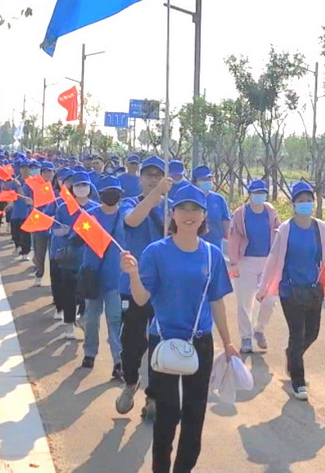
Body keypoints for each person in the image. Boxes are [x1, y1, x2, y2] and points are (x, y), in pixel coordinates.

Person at [120, 184, 238, 473]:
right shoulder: (156, 252)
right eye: (182, 208)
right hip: (163, 341)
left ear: (204, 216)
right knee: (167, 412)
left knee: (195, 413)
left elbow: (217, 302)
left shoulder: (211, 254)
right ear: (172, 213)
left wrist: (228, 342)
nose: (189, 214)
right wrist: (133, 274)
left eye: (195, 209)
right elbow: (141, 299)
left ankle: (183, 468)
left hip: (200, 342)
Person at [256, 181, 325, 400]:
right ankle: (298, 381)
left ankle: (292, 355)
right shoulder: (286, 229)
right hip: (290, 291)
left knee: (313, 333)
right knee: (297, 334)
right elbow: (273, 259)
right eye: (301, 201)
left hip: (314, 289)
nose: (305, 204)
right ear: (294, 204)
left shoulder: (321, 228)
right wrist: (263, 288)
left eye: (308, 200)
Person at [116, 156, 172, 420]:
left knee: (160, 344)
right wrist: (155, 195)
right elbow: (132, 221)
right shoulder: (130, 203)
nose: (153, 179)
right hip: (134, 285)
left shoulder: (173, 208)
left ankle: (153, 397)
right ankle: (130, 382)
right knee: (132, 342)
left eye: (158, 175)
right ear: (140, 179)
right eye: (148, 175)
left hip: (164, 289)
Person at [78, 176, 125, 380]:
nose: (111, 196)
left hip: (116, 277)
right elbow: (76, 239)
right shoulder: (89, 216)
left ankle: (118, 361)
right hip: (93, 274)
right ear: (101, 194)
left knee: (115, 319)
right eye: (108, 192)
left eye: (115, 192)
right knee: (91, 318)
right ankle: (89, 353)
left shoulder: (125, 216)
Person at [228, 180, 281, 353]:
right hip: (246, 262)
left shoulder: (270, 211)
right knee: (245, 302)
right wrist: (234, 262)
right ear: (250, 194)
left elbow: (279, 234)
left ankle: (259, 329)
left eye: (262, 193)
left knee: (270, 300)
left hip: (267, 262)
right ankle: (246, 338)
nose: (259, 196)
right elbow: (234, 237)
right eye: (256, 193)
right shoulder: (240, 214)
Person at [54, 170, 98, 339]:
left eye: (85, 185)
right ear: (72, 188)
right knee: (69, 293)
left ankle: (83, 317)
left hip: (90, 258)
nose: (81, 188)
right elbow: (55, 229)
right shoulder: (64, 208)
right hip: (70, 258)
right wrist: (63, 231)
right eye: (78, 185)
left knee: (87, 293)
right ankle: (69, 326)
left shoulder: (96, 208)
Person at [48, 168, 73, 318]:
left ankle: (77, 310)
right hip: (58, 249)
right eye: (66, 181)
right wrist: (55, 222)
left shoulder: (88, 205)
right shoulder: (57, 202)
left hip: (79, 252)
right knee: (58, 280)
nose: (70, 184)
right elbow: (44, 216)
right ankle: (59, 308)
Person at [191, 165, 231, 250]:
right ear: (195, 182)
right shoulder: (189, 200)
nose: (207, 181)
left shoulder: (219, 199)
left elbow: (226, 220)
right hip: (193, 246)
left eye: (209, 178)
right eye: (203, 179)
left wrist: (227, 235)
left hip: (215, 245)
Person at [30, 161, 55, 287]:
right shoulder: (36, 187)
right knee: (40, 253)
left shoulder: (58, 190)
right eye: (45, 172)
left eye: (49, 171)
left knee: (54, 256)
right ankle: (39, 275)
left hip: (54, 227)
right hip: (40, 225)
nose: (47, 174)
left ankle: (53, 280)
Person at [4, 172, 32, 260]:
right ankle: (18, 247)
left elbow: (26, 198)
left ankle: (25, 253)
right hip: (16, 212)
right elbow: (11, 195)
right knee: (15, 233)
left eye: (27, 168)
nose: (25, 170)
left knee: (25, 235)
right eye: (23, 168)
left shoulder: (32, 182)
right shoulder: (14, 182)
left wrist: (20, 187)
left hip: (27, 213)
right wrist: (10, 204)